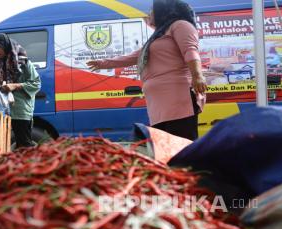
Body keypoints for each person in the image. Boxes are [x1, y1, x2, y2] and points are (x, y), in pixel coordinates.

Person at [87, 0, 207, 140]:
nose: (149, 14)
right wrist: (102, 64)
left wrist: (197, 75)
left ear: (165, 11)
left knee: (181, 143)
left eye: (152, 10)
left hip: (178, 97)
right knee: (163, 147)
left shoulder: (181, 25)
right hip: (158, 103)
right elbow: (134, 56)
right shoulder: (158, 36)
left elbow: (190, 51)